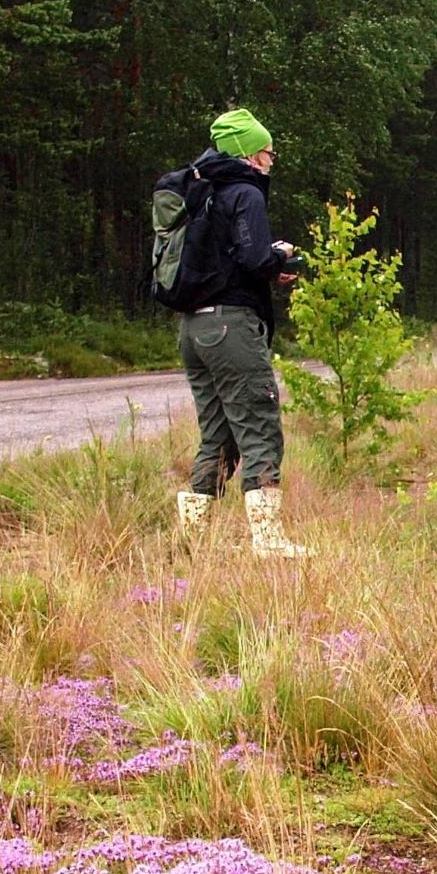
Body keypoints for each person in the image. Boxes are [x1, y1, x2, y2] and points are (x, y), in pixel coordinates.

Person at [170, 107, 309, 558]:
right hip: (231, 325)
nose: (271, 160)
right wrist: (279, 258)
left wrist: (265, 264)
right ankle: (268, 541)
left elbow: (227, 257)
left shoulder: (198, 190)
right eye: (268, 152)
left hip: (193, 327)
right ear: (250, 154)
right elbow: (252, 259)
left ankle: (192, 543)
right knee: (260, 424)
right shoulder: (245, 193)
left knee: (217, 434)